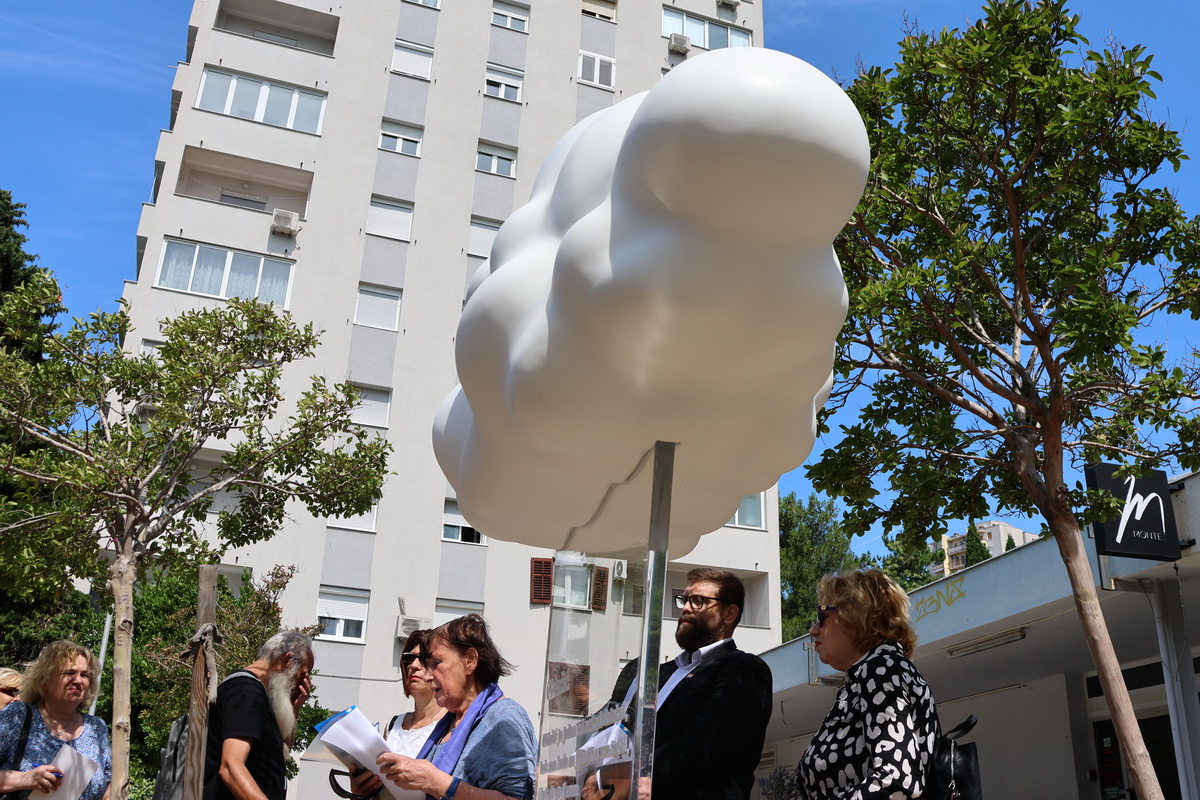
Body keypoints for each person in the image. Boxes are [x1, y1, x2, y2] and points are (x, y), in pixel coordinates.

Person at [589, 568, 773, 800]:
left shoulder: (744, 669)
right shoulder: (658, 673)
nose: (685, 608)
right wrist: (575, 770)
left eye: (698, 601)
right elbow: (613, 726)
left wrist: (626, 778)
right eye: (684, 600)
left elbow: (706, 744)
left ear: (729, 614)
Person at [796, 569, 939, 799]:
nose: (813, 630)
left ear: (855, 616)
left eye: (822, 615)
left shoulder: (881, 672)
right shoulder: (874, 673)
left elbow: (897, 782)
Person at [376, 614, 536, 800]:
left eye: (436, 663)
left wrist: (438, 783)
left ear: (470, 660)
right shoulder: (448, 722)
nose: (427, 676)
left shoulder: (503, 717)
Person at [204, 630, 313, 800]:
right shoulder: (246, 692)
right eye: (303, 674)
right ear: (287, 661)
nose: (302, 684)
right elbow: (230, 767)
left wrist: (294, 709)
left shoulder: (258, 696)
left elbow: (279, 756)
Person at [0, 640, 112, 800]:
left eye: (84, 675)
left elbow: (108, 785)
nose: (78, 680)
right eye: (69, 673)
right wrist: (24, 779)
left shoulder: (96, 727)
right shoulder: (18, 715)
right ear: (44, 680)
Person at [347, 630, 447, 796]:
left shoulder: (453, 723)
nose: (413, 665)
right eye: (409, 658)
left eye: (422, 658)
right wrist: (361, 793)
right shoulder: (394, 725)